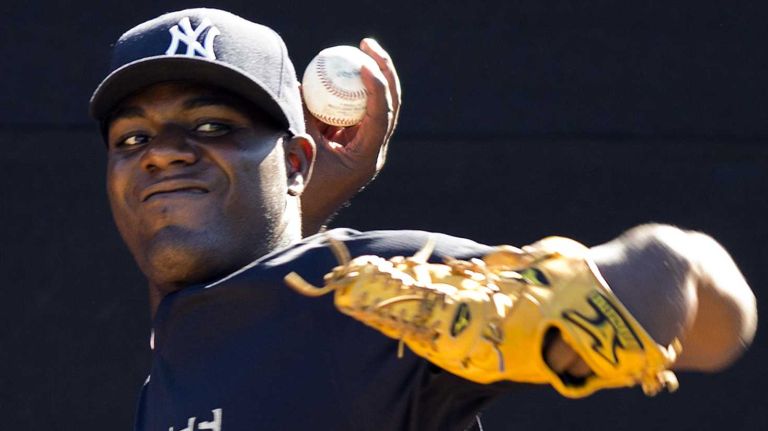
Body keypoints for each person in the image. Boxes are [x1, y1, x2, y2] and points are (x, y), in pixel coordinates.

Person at [90, 8, 757, 431]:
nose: (164, 153)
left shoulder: (357, 295)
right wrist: (294, 200)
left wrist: (571, 315)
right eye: (131, 139)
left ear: (296, 158)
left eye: (212, 125)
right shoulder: (187, 342)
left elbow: (708, 298)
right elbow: (259, 322)